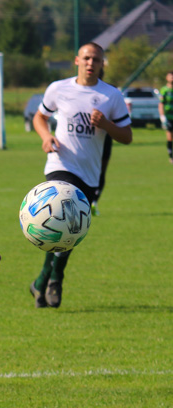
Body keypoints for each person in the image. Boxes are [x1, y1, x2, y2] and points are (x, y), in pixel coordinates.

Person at [29, 42, 132, 309]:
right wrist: (45, 136)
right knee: (58, 221)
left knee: (71, 230)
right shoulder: (58, 88)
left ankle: (43, 280)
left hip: (89, 173)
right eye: (86, 58)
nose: (90, 63)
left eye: (96, 59)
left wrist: (106, 125)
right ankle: (54, 280)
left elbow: (127, 136)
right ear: (77, 60)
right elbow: (39, 118)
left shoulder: (111, 96)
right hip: (60, 164)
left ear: (101, 64)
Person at [159, 70, 173, 165]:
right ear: (167, 78)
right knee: (169, 137)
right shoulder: (164, 90)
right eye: (170, 76)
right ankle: (171, 157)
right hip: (168, 117)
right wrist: (162, 117)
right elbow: (161, 104)